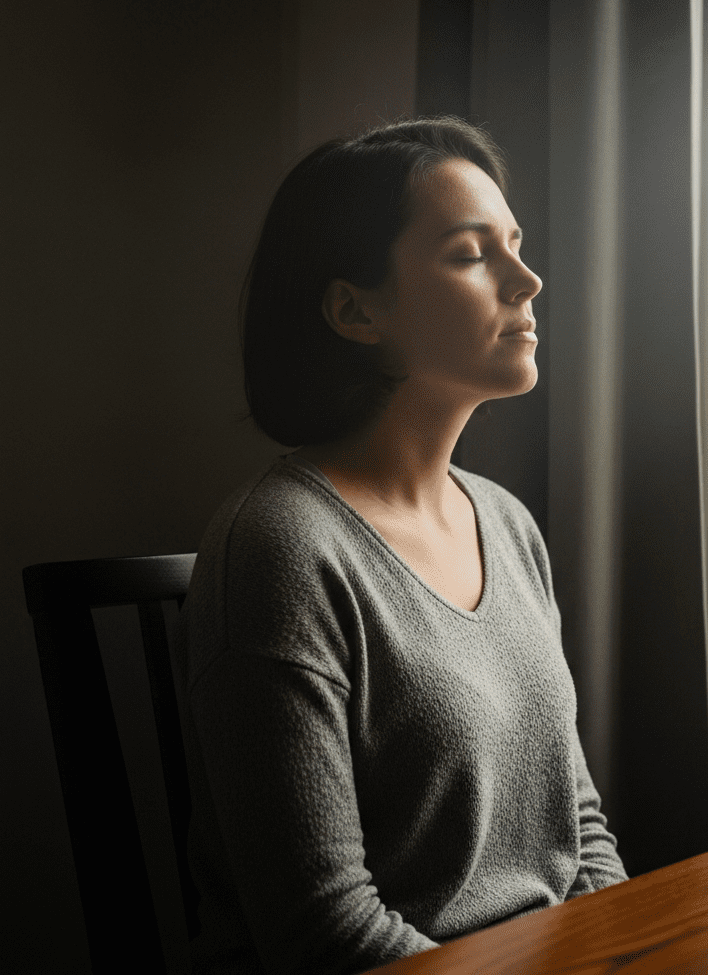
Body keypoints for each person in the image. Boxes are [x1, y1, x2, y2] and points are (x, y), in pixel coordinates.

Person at [171, 117, 628, 975]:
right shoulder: (278, 548)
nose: (527, 281)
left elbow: (580, 835)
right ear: (355, 309)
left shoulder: (508, 524)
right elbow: (326, 932)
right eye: (469, 254)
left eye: (516, 246)